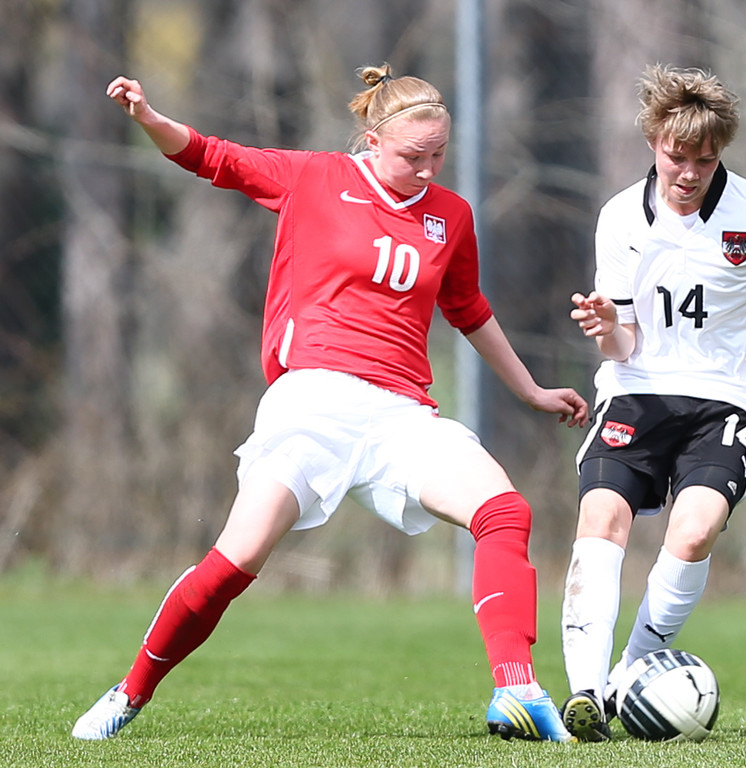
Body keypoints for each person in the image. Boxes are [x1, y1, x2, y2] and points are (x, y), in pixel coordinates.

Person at [72, 64, 589, 744]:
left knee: (504, 511)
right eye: (413, 156)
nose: (427, 169)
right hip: (313, 402)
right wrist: (149, 118)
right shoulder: (315, 177)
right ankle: (130, 691)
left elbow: (466, 307)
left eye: (438, 154)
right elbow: (211, 158)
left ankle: (516, 688)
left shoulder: (451, 215)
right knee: (236, 559)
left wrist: (530, 390)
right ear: (373, 141)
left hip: (401, 414)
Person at [559, 64, 746, 741]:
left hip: (727, 400)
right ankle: (584, 692)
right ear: (653, 141)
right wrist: (605, 326)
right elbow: (622, 344)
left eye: (705, 160)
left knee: (695, 530)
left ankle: (628, 673)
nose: (689, 172)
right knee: (601, 516)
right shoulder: (620, 216)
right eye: (677, 156)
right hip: (636, 391)